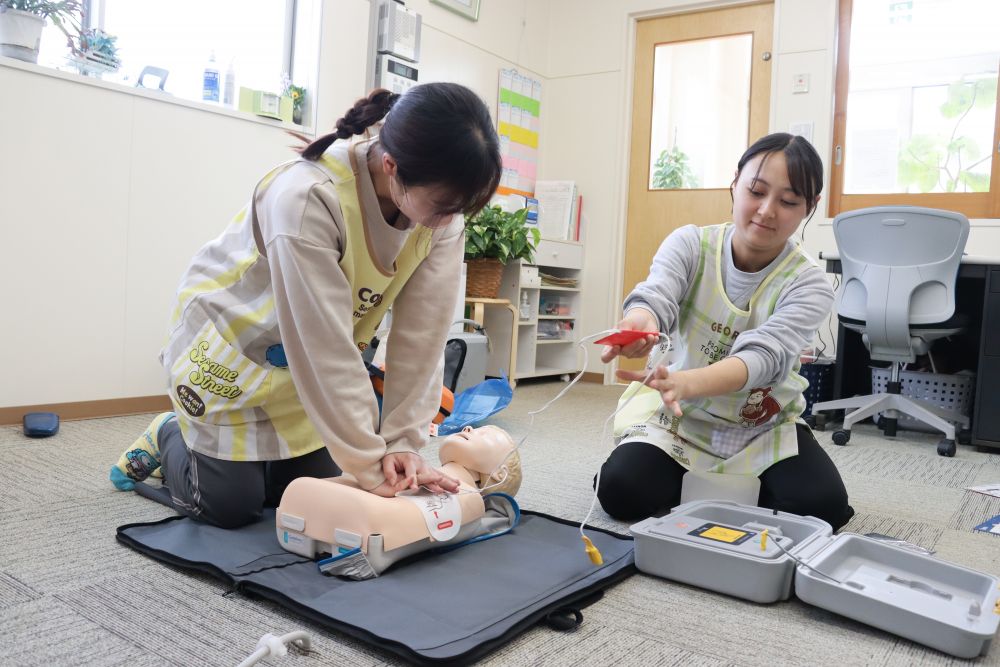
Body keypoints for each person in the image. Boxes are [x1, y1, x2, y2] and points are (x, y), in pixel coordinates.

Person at [110, 82, 503, 528]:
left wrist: (403, 445)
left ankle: (253, 461)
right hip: (230, 357)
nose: (450, 220)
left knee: (301, 498)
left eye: (461, 210)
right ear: (392, 166)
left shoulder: (441, 217)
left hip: (304, 377)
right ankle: (169, 432)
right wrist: (370, 463)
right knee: (228, 507)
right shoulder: (308, 197)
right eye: (443, 207)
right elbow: (324, 348)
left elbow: (423, 338)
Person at [597, 133, 854, 531]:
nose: (767, 211)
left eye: (788, 202)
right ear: (735, 184)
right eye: (756, 191)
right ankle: (726, 490)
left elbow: (763, 359)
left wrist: (685, 382)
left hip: (762, 426)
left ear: (810, 207)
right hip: (683, 419)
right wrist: (639, 325)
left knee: (823, 507)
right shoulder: (691, 244)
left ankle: (708, 488)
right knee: (620, 491)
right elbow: (656, 297)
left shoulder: (809, 282)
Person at [276, 424, 522, 579]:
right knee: (368, 480)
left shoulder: (469, 496)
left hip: (363, 527)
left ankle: (356, 527)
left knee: (399, 508)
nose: (469, 427)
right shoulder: (424, 468)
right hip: (348, 517)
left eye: (484, 433)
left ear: (499, 473)